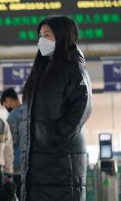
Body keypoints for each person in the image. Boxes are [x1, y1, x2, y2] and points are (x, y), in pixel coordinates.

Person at [20, 15, 92, 201]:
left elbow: (82, 105)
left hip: (60, 162)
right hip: (37, 162)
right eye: (40, 36)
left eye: (47, 35)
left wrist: (58, 139)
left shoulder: (73, 67)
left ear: (62, 36)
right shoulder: (42, 70)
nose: (41, 40)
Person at [0, 88, 23, 200]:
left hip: (18, 167)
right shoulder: (29, 111)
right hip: (33, 166)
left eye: (5, 103)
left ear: (8, 100)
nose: (6, 107)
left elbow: (9, 143)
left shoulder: (13, 116)